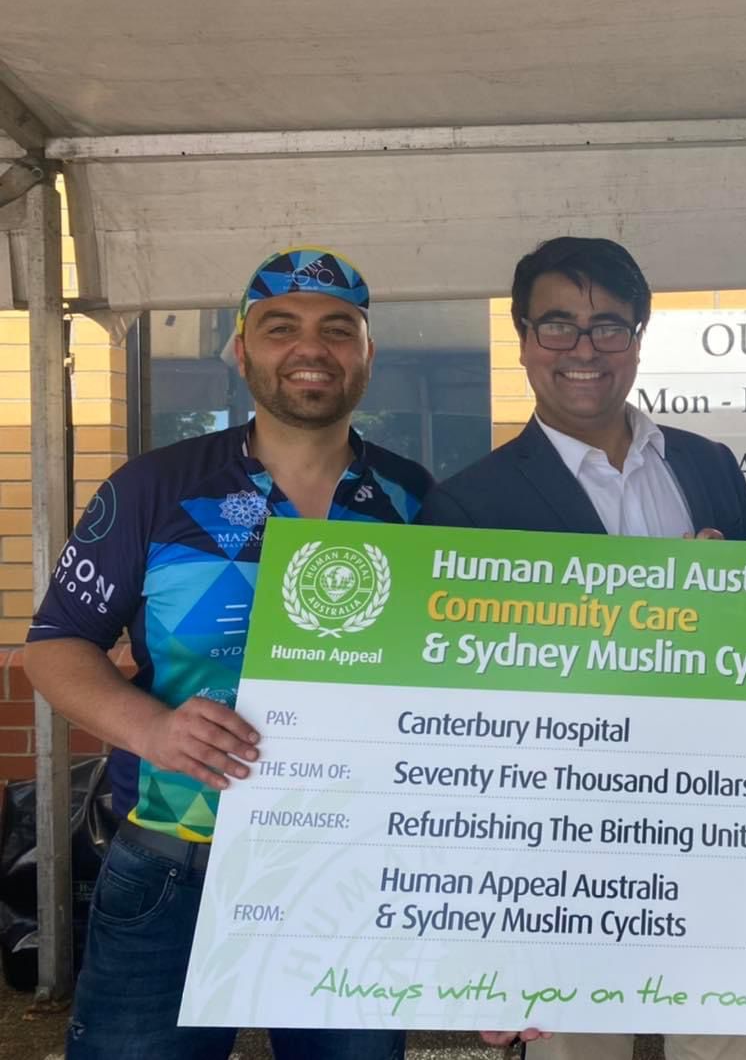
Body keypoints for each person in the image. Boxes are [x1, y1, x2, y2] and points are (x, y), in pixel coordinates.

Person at [26, 247, 433, 1060]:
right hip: (174, 863)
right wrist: (151, 730)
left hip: (346, 873)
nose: (310, 348)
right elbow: (54, 646)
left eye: (337, 329)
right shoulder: (154, 486)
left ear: (366, 356)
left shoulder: (416, 500)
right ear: (242, 351)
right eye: (280, 327)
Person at [420, 235, 746, 1060]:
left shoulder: (709, 466)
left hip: (712, 824)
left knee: (726, 1047)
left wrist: (733, 601)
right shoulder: (468, 506)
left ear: (639, 337)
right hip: (556, 848)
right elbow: (452, 708)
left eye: (609, 325)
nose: (584, 350)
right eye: (558, 325)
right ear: (522, 339)